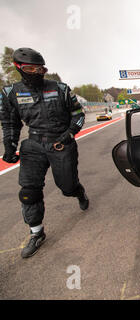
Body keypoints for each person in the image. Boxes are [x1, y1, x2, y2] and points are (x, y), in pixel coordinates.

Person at [0, 48, 89, 258]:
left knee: (66, 187)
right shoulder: (10, 93)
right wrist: (10, 147)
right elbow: (9, 123)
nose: (36, 72)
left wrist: (69, 134)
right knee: (28, 191)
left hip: (61, 143)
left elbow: (78, 114)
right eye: (31, 68)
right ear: (19, 68)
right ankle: (37, 233)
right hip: (33, 144)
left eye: (40, 68)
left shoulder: (60, 88)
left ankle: (78, 191)